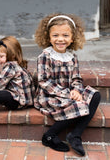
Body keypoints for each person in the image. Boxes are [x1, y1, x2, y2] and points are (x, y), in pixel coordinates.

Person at [34, 13, 100, 156]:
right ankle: (50, 135)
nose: (60, 39)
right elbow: (44, 81)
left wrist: (76, 90)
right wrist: (68, 93)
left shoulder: (72, 57)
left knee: (94, 96)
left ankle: (75, 135)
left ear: (72, 38)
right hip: (49, 96)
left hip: (68, 94)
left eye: (65, 35)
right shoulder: (45, 56)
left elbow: (76, 78)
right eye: (55, 35)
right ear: (48, 37)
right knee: (80, 104)